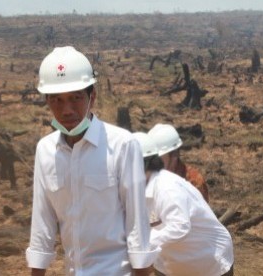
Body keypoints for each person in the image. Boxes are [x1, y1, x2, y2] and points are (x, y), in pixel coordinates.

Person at [26, 46, 158, 276]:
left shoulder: (122, 145)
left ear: (92, 97)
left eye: (76, 98)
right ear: (47, 101)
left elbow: (137, 224)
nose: (67, 110)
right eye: (57, 100)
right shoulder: (45, 151)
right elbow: (42, 224)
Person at [133, 132, 234, 276]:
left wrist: (142, 242)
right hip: (169, 263)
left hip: (207, 260)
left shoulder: (166, 188)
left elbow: (180, 226)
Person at [148, 123, 209, 202]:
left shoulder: (193, 182)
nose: (154, 162)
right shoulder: (149, 178)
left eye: (158, 158)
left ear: (174, 155)